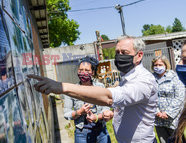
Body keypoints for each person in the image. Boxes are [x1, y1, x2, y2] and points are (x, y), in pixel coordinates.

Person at [28, 36, 158, 143]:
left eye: (124, 53)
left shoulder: (143, 80)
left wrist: (62, 87)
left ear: (139, 55)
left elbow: (109, 98)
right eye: (117, 52)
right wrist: (112, 114)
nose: (119, 57)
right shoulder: (127, 77)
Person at [63, 56, 113, 143]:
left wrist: (97, 117)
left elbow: (106, 108)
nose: (83, 72)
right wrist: (79, 112)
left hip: (101, 131)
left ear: (92, 72)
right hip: (82, 133)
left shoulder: (100, 87)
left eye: (87, 70)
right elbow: (66, 114)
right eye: (81, 70)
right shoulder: (71, 90)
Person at [151, 56, 185, 143]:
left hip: (173, 118)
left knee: (177, 139)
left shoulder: (174, 77)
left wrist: (168, 113)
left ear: (166, 65)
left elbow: (180, 96)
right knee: (163, 140)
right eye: (155, 65)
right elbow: (148, 97)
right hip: (158, 119)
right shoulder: (150, 79)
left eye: (160, 64)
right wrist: (157, 111)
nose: (158, 67)